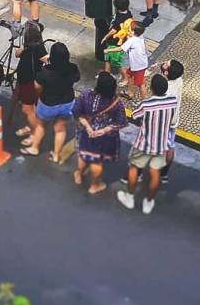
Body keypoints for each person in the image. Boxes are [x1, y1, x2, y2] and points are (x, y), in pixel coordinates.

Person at [117, 74, 178, 215]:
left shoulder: (146, 104)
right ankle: (149, 201)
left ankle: (130, 197)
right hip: (161, 144)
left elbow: (135, 115)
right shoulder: (172, 101)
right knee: (155, 173)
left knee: (134, 168)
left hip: (144, 143)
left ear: (152, 88)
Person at [21, 42, 80, 163]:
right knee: (60, 128)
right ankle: (56, 155)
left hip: (48, 103)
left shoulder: (44, 73)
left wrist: (38, 99)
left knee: (41, 126)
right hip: (67, 103)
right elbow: (76, 78)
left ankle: (35, 148)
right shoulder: (72, 68)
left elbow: (36, 88)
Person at [72, 72, 128, 195]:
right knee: (97, 162)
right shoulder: (116, 103)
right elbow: (121, 122)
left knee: (84, 155)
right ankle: (95, 185)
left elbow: (76, 112)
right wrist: (103, 130)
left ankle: (79, 175)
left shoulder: (86, 94)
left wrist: (88, 127)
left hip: (87, 133)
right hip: (105, 138)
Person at [13, 21, 48, 144]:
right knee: (31, 108)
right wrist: (22, 48)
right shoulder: (26, 45)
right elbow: (17, 55)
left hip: (30, 81)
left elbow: (47, 60)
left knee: (27, 109)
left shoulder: (39, 48)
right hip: (24, 80)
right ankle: (31, 127)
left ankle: (35, 132)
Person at [106, 21, 149, 100]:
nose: (127, 29)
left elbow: (120, 48)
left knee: (141, 84)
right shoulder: (140, 36)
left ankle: (145, 101)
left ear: (133, 32)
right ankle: (130, 93)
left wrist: (108, 51)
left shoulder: (132, 40)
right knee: (129, 76)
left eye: (129, 28)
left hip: (138, 66)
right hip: (137, 64)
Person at [159, 59, 184, 185]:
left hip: (164, 123)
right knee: (170, 144)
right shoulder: (179, 80)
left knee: (163, 147)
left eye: (165, 64)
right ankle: (164, 173)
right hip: (174, 121)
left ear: (166, 73)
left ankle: (158, 172)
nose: (163, 62)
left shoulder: (166, 91)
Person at [101, 0, 133, 83]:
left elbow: (113, 30)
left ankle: (125, 78)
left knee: (118, 63)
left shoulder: (119, 19)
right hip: (123, 41)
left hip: (114, 42)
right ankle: (106, 74)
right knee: (110, 59)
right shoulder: (129, 13)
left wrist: (105, 37)